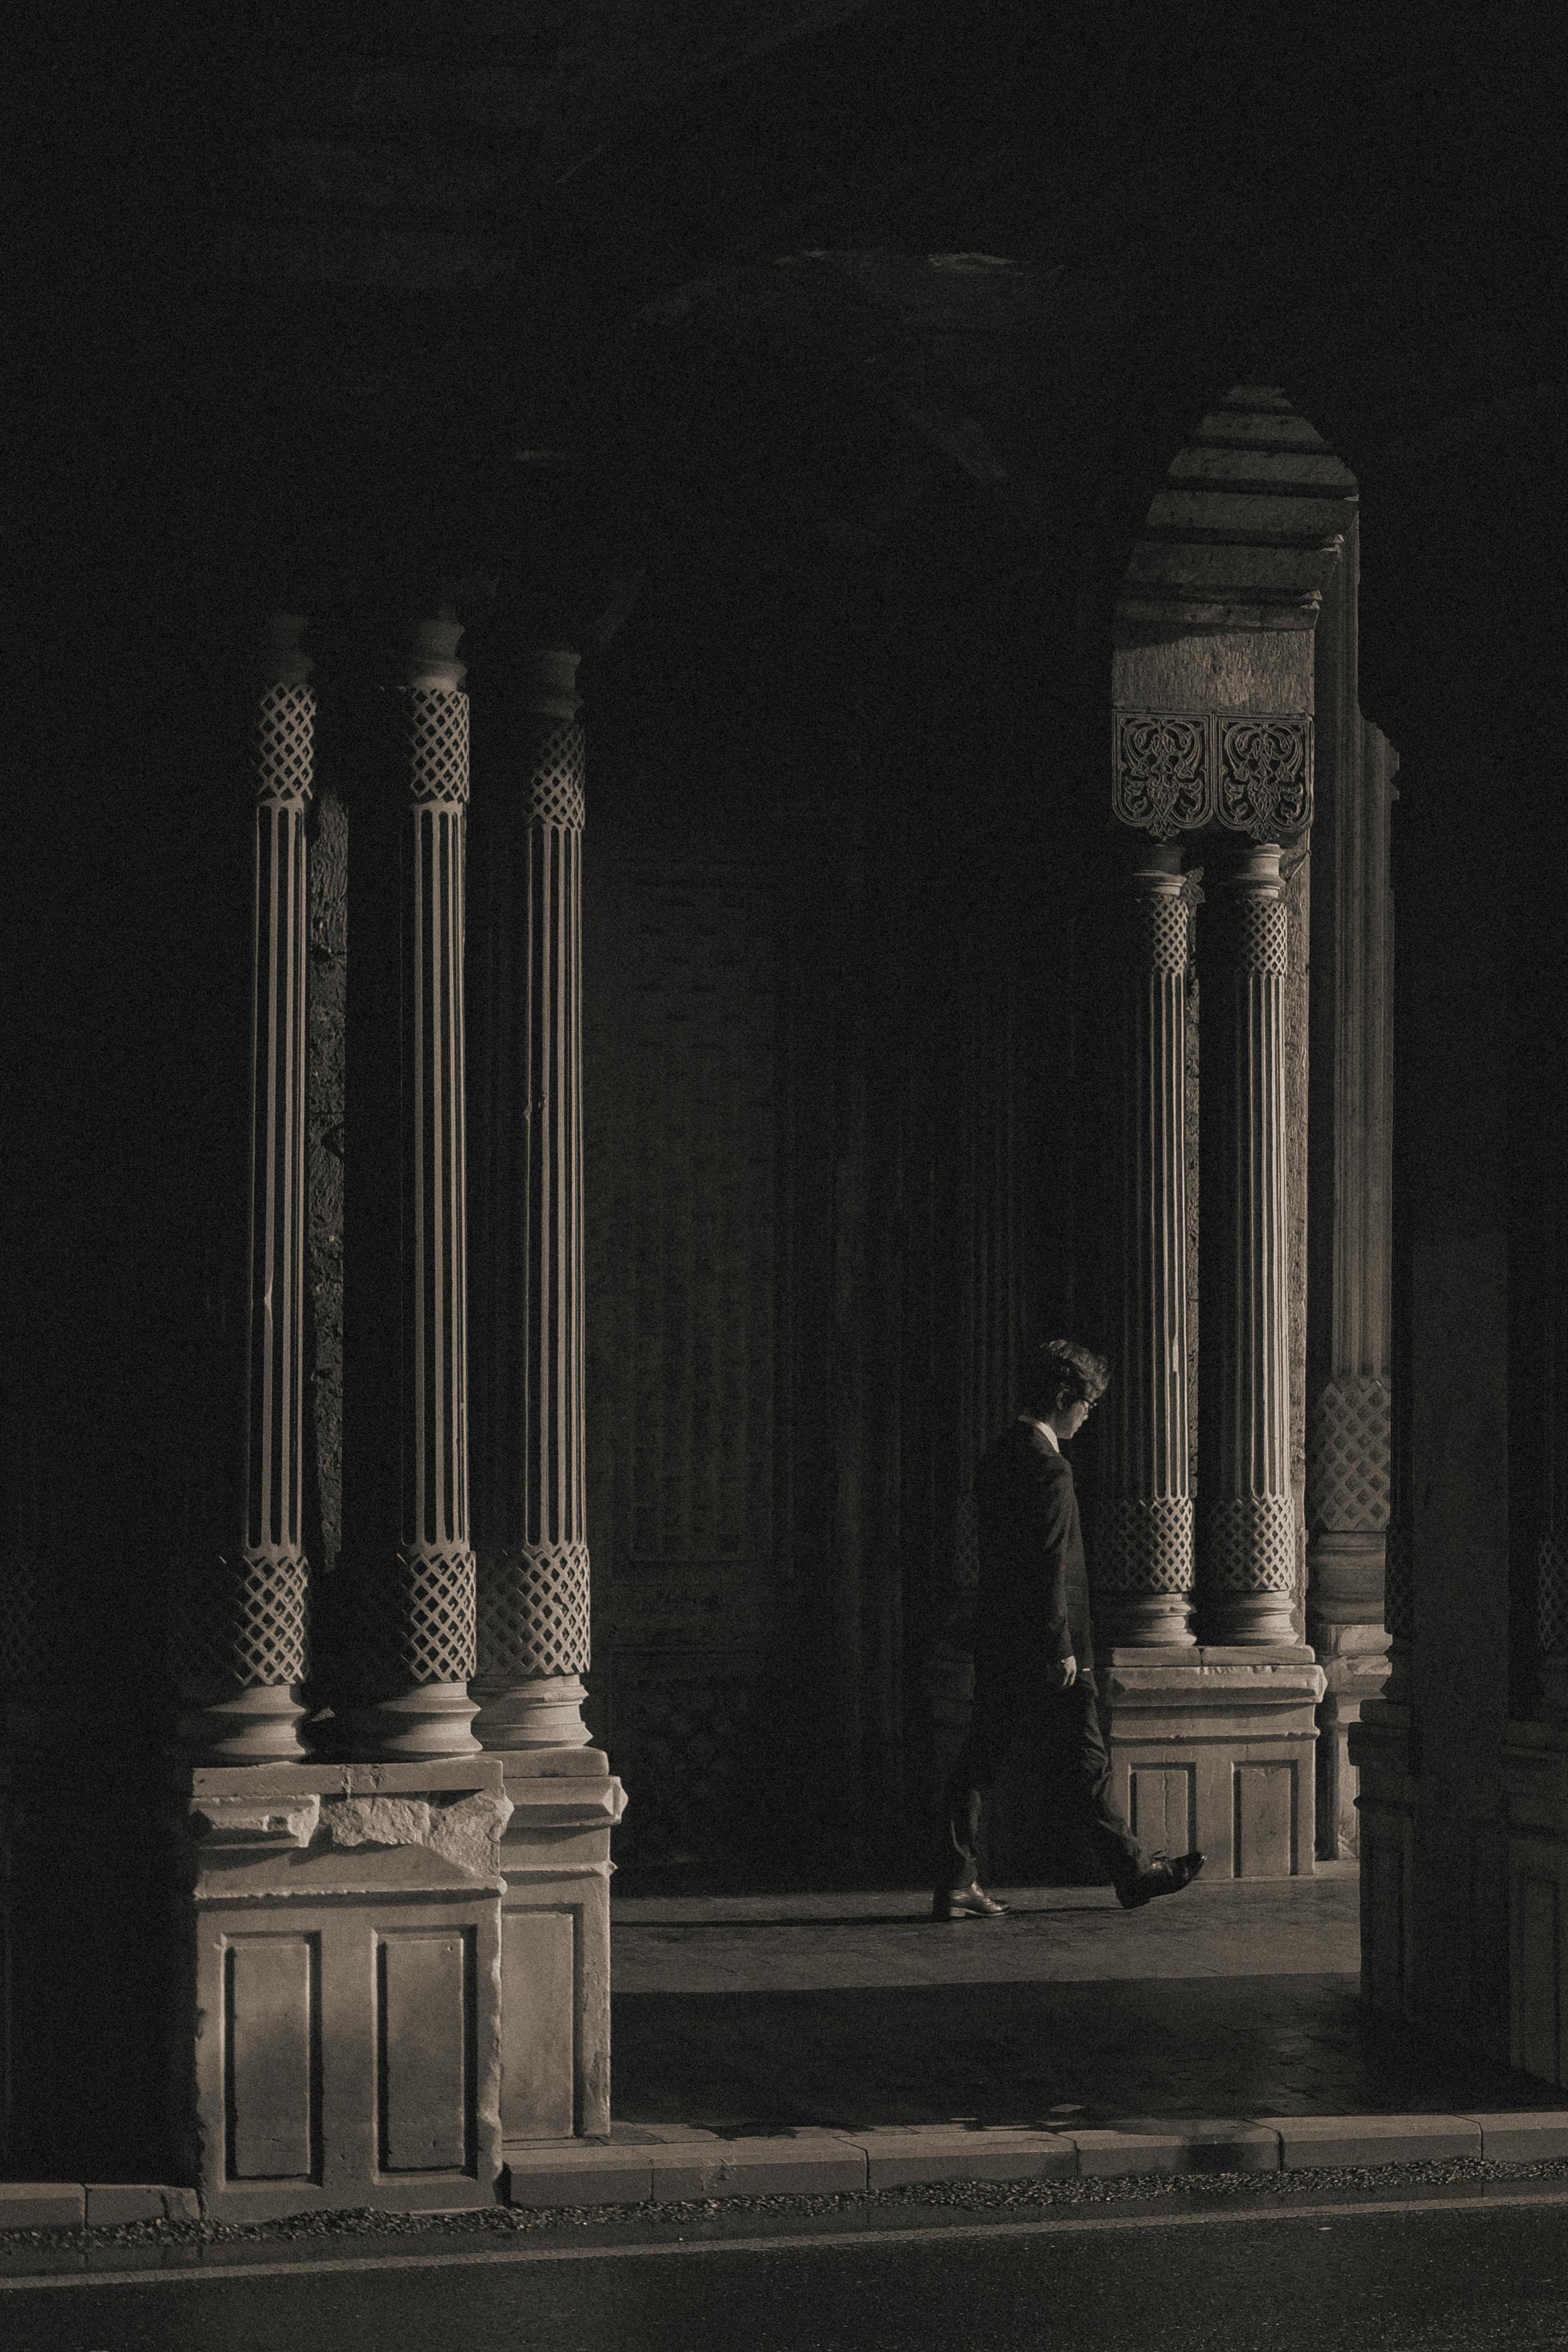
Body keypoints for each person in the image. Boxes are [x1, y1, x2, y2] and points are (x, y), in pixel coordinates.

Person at [933, 1338, 1205, 1920]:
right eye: (1087, 1401)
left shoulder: (1000, 1455)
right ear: (1063, 1397)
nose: (1090, 1411)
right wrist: (1060, 1646)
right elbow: (1049, 1564)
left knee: (984, 1757)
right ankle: (1133, 1872)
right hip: (1051, 1645)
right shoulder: (1050, 1468)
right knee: (1083, 1759)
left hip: (1004, 1638)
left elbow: (1004, 1562)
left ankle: (958, 1878)